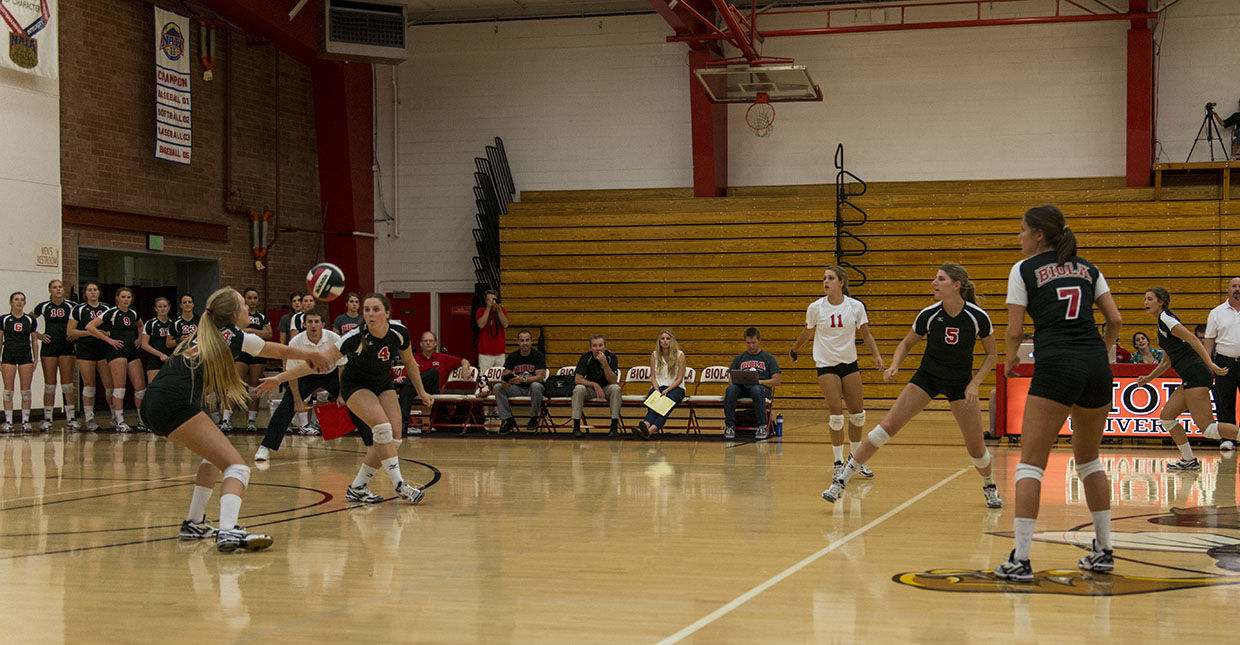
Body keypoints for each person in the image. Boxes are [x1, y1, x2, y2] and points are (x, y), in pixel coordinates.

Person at [143, 286, 332, 552]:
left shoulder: (202, 334)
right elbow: (274, 350)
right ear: (234, 313)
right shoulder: (233, 336)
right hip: (175, 404)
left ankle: (194, 523)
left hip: (154, 403)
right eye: (244, 305)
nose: (248, 309)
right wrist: (311, 354)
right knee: (238, 468)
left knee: (213, 458)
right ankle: (229, 531)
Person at [993, 205, 1123, 583]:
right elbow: (1114, 319)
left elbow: (1015, 332)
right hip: (1096, 365)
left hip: (1057, 364)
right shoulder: (1089, 268)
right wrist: (1107, 351)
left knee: (1031, 463)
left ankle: (1020, 558)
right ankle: (1103, 551)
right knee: (1089, 460)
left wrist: (1009, 362)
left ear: (1038, 235)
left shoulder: (1023, 270)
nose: (1018, 237)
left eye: (1022, 230)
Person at [823, 264, 1001, 508]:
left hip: (960, 383)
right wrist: (895, 365)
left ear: (956, 285)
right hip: (927, 377)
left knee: (976, 447)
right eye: (935, 278)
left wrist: (975, 383)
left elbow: (992, 354)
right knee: (886, 426)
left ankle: (989, 485)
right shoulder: (928, 314)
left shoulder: (977, 316)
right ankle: (840, 481)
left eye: (940, 279)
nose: (934, 283)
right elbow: (906, 344)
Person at [259, 293, 434, 504]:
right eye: (367, 309)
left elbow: (409, 362)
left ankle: (357, 487)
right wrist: (279, 378)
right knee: (381, 428)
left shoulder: (399, 332)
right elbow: (316, 364)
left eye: (376, 309)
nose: (370, 314)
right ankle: (400, 485)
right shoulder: (354, 337)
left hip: (382, 384)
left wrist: (422, 392)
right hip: (356, 385)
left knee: (392, 440)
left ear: (387, 313)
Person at [790, 265, 885, 478]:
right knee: (836, 417)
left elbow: (866, 335)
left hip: (849, 364)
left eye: (830, 278)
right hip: (826, 365)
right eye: (824, 278)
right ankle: (838, 463)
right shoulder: (816, 308)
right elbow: (807, 331)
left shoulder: (855, 307)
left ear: (841, 283)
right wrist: (795, 348)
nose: (826, 281)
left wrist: (877, 355)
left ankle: (856, 460)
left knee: (858, 415)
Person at [1136, 287, 1234, 471]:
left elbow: (1193, 339)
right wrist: (1149, 378)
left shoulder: (1167, 319)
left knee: (1209, 430)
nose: (1145, 303)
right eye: (1145, 299)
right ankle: (1188, 460)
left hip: (1196, 373)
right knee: (1167, 418)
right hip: (1191, 375)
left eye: (1149, 299)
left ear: (1161, 302)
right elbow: (1166, 361)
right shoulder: (1162, 324)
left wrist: (1211, 365)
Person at [255, 311, 349, 461]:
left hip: (331, 373)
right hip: (305, 375)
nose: (313, 325)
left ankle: (374, 441)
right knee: (286, 405)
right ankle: (265, 447)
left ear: (323, 325)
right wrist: (298, 400)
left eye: (317, 321)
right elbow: (291, 372)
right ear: (304, 324)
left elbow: (342, 367)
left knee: (355, 399)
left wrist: (343, 393)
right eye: (310, 322)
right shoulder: (296, 342)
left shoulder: (333, 338)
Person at [86, 287, 146, 432]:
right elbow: (90, 326)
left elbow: (141, 326)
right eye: (123, 297)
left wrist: (139, 338)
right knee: (119, 387)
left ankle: (142, 421)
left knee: (140, 387)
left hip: (131, 351)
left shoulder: (133, 313)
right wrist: (108, 340)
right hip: (116, 351)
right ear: (117, 298)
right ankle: (120, 421)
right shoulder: (111, 312)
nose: (126, 300)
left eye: (129, 297)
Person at [66, 283, 114, 432]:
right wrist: (92, 332)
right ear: (85, 293)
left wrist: (105, 334)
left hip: (104, 350)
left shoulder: (107, 309)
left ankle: (115, 417)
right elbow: (70, 332)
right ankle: (89, 419)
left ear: (99, 292)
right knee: (89, 386)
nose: (92, 293)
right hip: (85, 351)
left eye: (95, 290)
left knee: (110, 386)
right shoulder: (79, 309)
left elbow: (115, 330)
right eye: (89, 290)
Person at [225, 288, 272, 433]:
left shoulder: (262, 317)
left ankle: (251, 421)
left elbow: (269, 334)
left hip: (257, 353)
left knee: (254, 386)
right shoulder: (237, 315)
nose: (252, 301)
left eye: (255, 298)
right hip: (242, 352)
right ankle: (226, 419)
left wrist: (253, 331)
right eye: (249, 298)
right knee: (235, 384)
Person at [33, 280, 78, 430]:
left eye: (60, 287)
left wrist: (76, 336)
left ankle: (71, 418)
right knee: (50, 385)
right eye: (54, 287)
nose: (58, 289)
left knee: (67, 385)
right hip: (49, 348)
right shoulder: (44, 306)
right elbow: (27, 320)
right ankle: (47, 419)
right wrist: (39, 335)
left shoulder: (72, 306)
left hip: (66, 347)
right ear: (50, 290)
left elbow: (83, 323)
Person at [724, 327, 781, 440]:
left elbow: (777, 380)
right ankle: (729, 426)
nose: (751, 346)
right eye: (748, 343)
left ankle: (762, 426)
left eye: (753, 342)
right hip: (742, 388)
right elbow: (730, 379)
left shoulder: (769, 358)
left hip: (760, 388)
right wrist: (736, 381)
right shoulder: (739, 358)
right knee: (730, 390)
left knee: (756, 389)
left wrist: (760, 381)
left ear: (759, 341)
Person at [1205, 277, 1240, 452]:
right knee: (1224, 401)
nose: (1237, 289)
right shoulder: (1217, 312)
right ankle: (1228, 439)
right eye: (1234, 286)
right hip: (1224, 362)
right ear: (1228, 290)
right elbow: (1209, 339)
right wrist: (1209, 363)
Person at [634, 329, 687, 440]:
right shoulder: (655, 355)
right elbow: (653, 376)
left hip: (676, 388)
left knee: (663, 406)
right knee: (653, 406)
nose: (665, 341)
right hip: (659, 386)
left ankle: (650, 430)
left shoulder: (680, 355)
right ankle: (647, 425)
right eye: (662, 339)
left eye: (668, 338)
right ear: (659, 341)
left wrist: (667, 390)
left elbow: (680, 378)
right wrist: (656, 389)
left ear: (672, 340)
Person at [494, 329, 546, 434]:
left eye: (527, 340)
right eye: (522, 341)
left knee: (536, 386)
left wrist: (524, 379)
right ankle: (508, 420)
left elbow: (540, 377)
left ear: (531, 341)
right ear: (518, 342)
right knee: (497, 387)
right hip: (517, 388)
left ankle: (533, 418)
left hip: (532, 388)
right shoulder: (513, 356)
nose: (525, 343)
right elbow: (505, 375)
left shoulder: (538, 356)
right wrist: (506, 381)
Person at [1, 292, 39, 432]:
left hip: (25, 356)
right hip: (8, 356)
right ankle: (8, 422)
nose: (19, 302)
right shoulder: (4, 319)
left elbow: (34, 340)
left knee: (26, 391)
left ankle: (25, 421)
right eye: (16, 299)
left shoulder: (30, 320)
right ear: (11, 302)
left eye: (22, 300)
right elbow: (0, 340)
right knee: (8, 391)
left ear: (24, 302)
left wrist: (36, 358)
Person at [571, 334, 622, 438]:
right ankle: (576, 426)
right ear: (590, 348)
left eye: (600, 345)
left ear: (605, 346)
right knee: (578, 389)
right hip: (590, 388)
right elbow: (577, 379)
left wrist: (605, 364)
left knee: (616, 389)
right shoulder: (585, 357)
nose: (598, 349)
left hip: (607, 388)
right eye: (594, 346)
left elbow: (613, 380)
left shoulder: (611, 357)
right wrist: (594, 384)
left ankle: (613, 426)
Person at [412, 331, 471, 395]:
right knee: (406, 388)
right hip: (417, 390)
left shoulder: (443, 358)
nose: (428, 343)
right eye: (425, 341)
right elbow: (405, 375)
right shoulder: (414, 359)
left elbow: (463, 360)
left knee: (433, 372)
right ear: (421, 344)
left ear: (435, 343)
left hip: (433, 391)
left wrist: (465, 367)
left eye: (431, 341)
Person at [141, 297, 175, 398]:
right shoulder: (151, 324)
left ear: (169, 308)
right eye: (160, 307)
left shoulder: (173, 324)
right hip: (155, 360)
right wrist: (160, 354)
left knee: (171, 390)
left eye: (165, 306)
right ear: (155, 309)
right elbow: (144, 344)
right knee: (153, 391)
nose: (163, 309)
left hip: (171, 360)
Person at [475, 289, 509, 377]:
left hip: (499, 352)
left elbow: (505, 324)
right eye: (489, 299)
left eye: (494, 299)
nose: (492, 301)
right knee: (484, 378)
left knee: (500, 378)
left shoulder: (501, 310)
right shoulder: (481, 311)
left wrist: (498, 309)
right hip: (485, 352)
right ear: (486, 301)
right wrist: (488, 309)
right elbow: (481, 325)